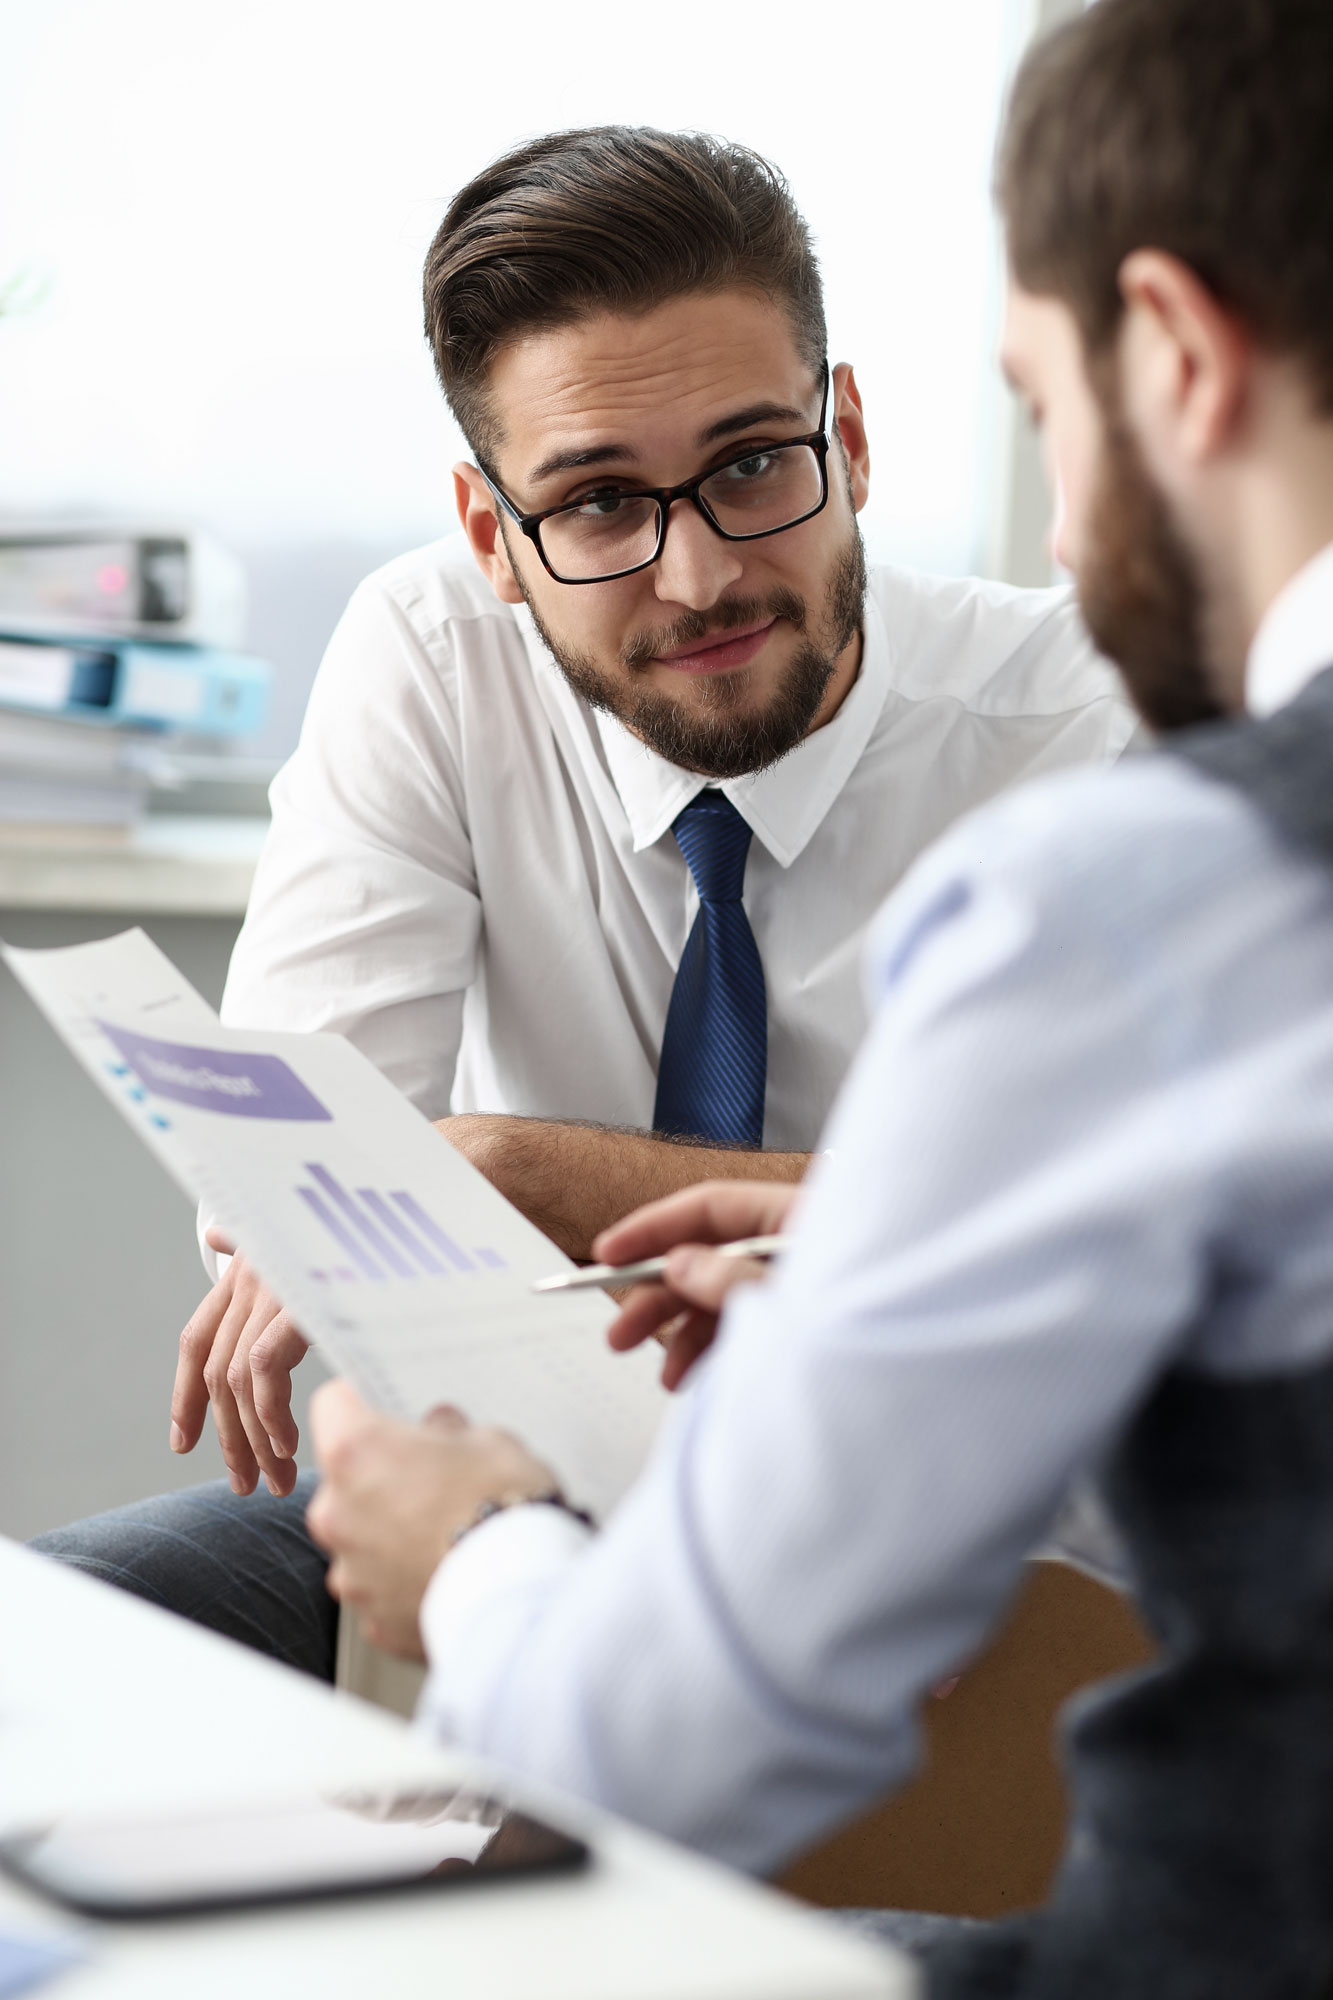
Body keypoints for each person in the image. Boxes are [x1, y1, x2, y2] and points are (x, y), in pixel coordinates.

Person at [303, 2, 1333, 1991]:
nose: (1051, 522)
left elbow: (666, 1742)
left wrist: (477, 1547)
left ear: (1176, 355)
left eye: (1040, 396)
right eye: (598, 504)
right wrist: (889, 1229)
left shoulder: (1152, 887)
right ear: (495, 537)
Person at [34, 127, 1131, 1672]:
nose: (696, 580)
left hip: (967, 1552)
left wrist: (512, 1169)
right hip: (526, 1503)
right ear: (494, 539)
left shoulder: (1095, 727)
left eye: (754, 464)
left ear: (854, 441)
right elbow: (293, 1193)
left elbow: (1109, 1240)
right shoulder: (429, 656)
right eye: (600, 505)